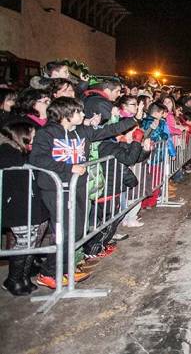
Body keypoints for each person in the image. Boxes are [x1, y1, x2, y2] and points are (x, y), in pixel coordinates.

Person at [28, 97, 136, 289]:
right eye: (78, 111)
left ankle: (63, 268)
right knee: (65, 231)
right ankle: (48, 272)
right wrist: (68, 167)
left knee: (78, 230)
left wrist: (133, 120)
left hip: (78, 187)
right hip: (56, 189)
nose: (82, 114)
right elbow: (37, 159)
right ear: (66, 114)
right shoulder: (47, 133)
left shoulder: (81, 131)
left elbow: (108, 131)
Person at [0, 121, 48, 295]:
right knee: (24, 242)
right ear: (22, 135)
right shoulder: (7, 152)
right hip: (17, 207)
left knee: (31, 242)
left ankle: (24, 277)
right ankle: (12, 279)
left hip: (30, 204)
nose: (34, 139)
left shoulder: (22, 152)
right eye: (32, 135)